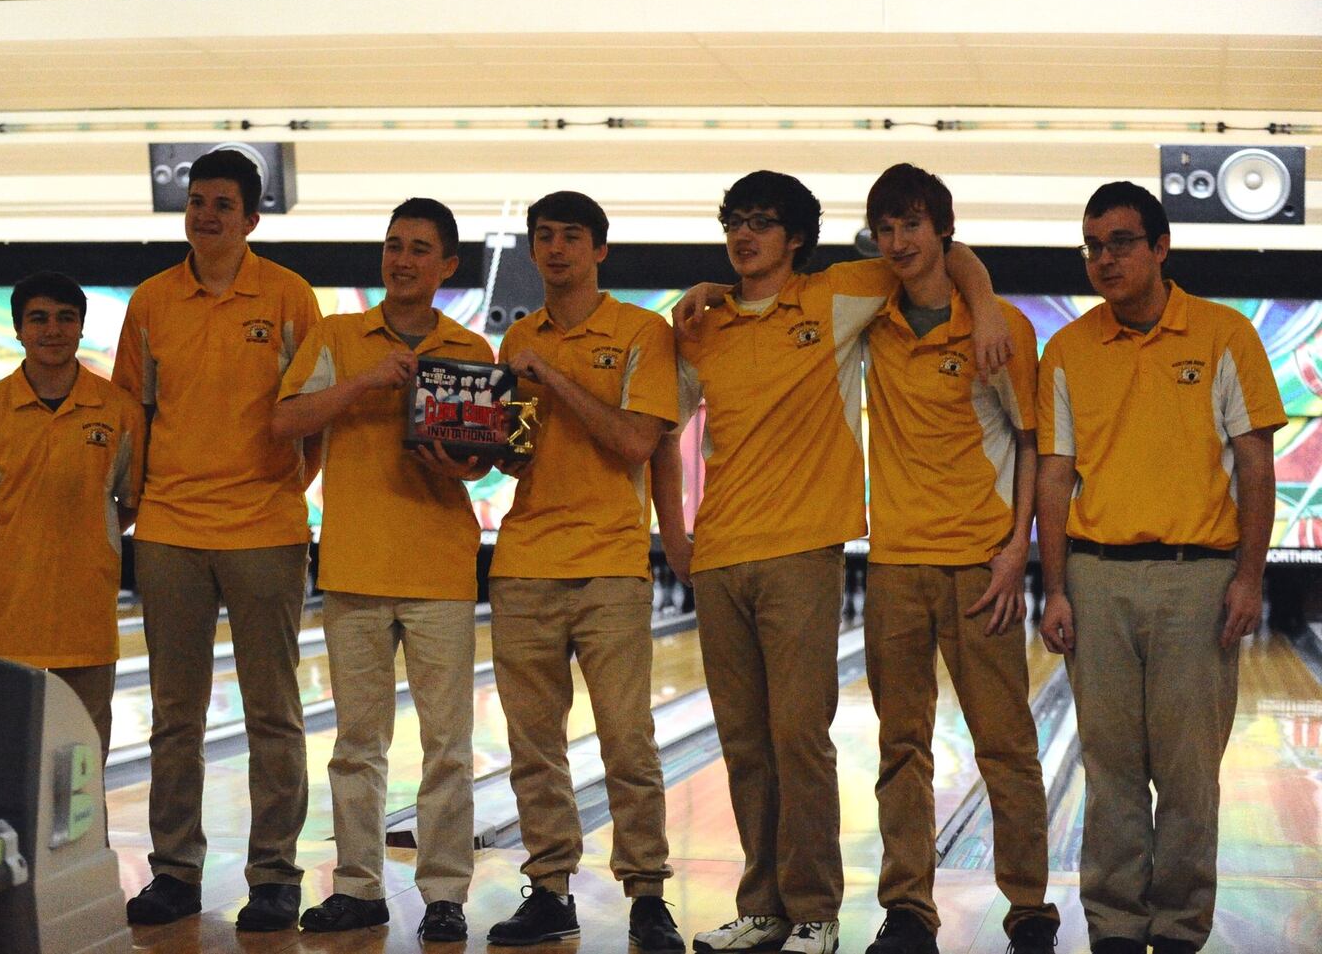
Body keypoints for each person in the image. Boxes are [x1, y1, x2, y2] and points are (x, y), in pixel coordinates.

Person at [656, 170, 1009, 954]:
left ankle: (814, 910)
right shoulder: (700, 324)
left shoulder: (838, 295)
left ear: (797, 239)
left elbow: (949, 255)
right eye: (735, 222)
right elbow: (656, 428)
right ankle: (763, 906)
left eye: (762, 223)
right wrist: (672, 533)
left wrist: (983, 306)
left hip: (802, 552)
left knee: (798, 736)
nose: (745, 235)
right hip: (719, 553)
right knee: (744, 742)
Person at [1036, 182, 1282, 954]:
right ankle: (1113, 925)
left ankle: (1177, 927)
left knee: (1185, 775)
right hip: (1097, 575)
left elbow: (1255, 463)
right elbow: (1053, 472)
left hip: (1197, 578)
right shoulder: (1069, 348)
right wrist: (1055, 585)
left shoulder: (1223, 334)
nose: (1103, 258)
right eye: (1092, 245)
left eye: (1119, 241)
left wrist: (1250, 575)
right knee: (1108, 769)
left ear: (1160, 246)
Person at [113, 149, 322, 931]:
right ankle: (175, 870)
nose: (205, 214)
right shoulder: (151, 300)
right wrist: (138, 505)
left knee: (274, 711)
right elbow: (134, 411)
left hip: (265, 528)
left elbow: (312, 411)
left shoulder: (291, 296)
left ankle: (273, 874)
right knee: (175, 714)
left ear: (251, 218)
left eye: (222, 204)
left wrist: (285, 493)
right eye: (196, 201)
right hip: (170, 527)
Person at [272, 198, 490, 944]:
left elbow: (481, 460)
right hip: (354, 568)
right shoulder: (337, 336)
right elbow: (287, 421)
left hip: (440, 571)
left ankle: (444, 892)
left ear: (447, 266)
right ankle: (360, 887)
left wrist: (459, 462)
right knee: (356, 745)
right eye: (393, 245)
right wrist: (363, 383)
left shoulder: (470, 349)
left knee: (447, 747)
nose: (402, 259)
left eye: (420, 248)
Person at [857, 165, 1058, 954]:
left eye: (912, 224)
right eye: (886, 227)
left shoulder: (1001, 327)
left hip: (980, 562)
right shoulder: (871, 315)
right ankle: (908, 907)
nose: (899, 241)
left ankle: (1030, 907)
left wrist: (1018, 551)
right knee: (899, 744)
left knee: (1005, 742)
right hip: (894, 565)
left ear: (942, 228)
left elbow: (1034, 442)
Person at [483, 191, 684, 952]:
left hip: (609, 564)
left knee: (627, 740)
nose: (556, 248)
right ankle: (548, 889)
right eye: (544, 237)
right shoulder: (519, 340)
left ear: (600, 249)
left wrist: (556, 378)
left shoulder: (641, 332)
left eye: (571, 236)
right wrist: (472, 447)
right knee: (534, 744)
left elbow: (635, 442)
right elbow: (518, 452)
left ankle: (647, 895)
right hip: (525, 561)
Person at [0, 271, 143, 766]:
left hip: (88, 613)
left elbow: (131, 501)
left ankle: (85, 846)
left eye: (64, 318)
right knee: (2, 751)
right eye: (38, 319)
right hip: (7, 614)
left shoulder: (119, 411)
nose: (52, 329)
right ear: (18, 329)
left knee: (84, 753)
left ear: (81, 328)